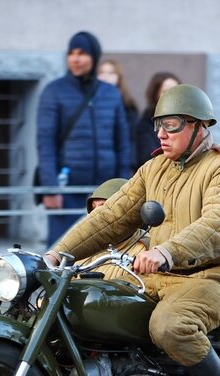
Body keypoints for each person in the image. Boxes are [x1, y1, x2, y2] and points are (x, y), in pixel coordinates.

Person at [46, 84, 220, 376]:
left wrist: (166, 252)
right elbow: (110, 218)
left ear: (197, 126)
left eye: (171, 124)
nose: (161, 132)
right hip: (161, 276)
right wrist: (56, 255)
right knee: (84, 296)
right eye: (158, 124)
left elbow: (219, 227)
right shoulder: (154, 168)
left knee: (170, 326)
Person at [37, 31, 132, 245]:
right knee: (63, 250)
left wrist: (123, 186)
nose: (75, 59)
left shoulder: (111, 93)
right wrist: (50, 188)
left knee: (108, 248)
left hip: (106, 189)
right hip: (67, 189)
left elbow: (122, 143)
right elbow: (45, 144)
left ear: (94, 56)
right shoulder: (54, 91)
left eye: (81, 53)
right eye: (71, 53)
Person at [77, 177, 148, 283]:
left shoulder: (145, 251)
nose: (94, 215)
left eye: (103, 206)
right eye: (93, 207)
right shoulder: (88, 250)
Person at [97, 58, 139, 169]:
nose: (105, 76)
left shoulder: (128, 104)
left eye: (111, 73)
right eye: (101, 72)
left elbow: (131, 138)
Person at [134, 72, 181, 168]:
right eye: (166, 91)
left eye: (175, 91)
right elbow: (148, 156)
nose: (172, 95)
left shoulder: (188, 121)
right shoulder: (145, 123)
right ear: (155, 94)